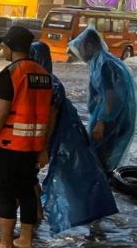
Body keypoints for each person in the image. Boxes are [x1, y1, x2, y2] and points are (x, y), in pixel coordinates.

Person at [0, 26, 53, 248]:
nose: (2, 49)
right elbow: (51, 114)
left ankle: (5, 243)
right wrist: (43, 147)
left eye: (4, 45)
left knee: (5, 193)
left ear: (12, 47)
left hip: (7, 144)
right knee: (26, 191)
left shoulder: (11, 73)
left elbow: (1, 111)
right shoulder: (44, 75)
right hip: (32, 146)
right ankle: (25, 239)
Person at [29, 41, 118, 235]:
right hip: (61, 138)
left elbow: (49, 119)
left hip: (57, 139)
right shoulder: (47, 81)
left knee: (66, 177)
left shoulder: (47, 84)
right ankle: (38, 216)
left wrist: (42, 148)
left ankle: (37, 218)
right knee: (75, 175)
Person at [68, 26, 137, 174]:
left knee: (98, 159)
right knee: (99, 157)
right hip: (111, 116)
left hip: (110, 119)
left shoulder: (104, 64)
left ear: (89, 46)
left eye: (81, 47)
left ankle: (98, 191)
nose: (80, 52)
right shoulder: (102, 61)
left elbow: (111, 95)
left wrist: (102, 122)